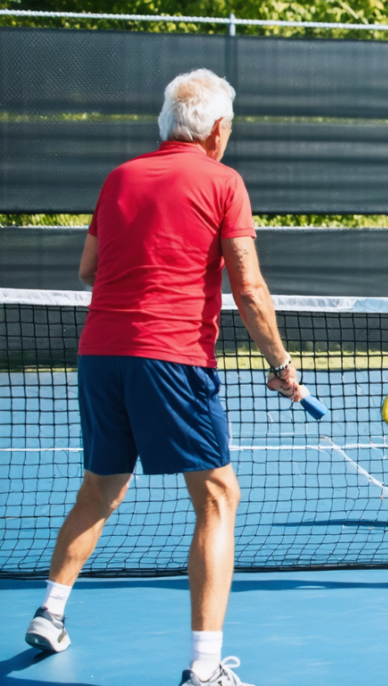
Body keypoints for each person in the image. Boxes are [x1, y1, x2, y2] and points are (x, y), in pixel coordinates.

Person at [23, 68, 303, 686]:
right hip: (172, 359)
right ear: (218, 129)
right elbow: (250, 289)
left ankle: (51, 611)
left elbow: (89, 271)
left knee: (100, 488)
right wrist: (281, 365)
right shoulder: (224, 181)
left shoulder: (120, 177)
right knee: (217, 497)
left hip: (100, 356)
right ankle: (205, 669)